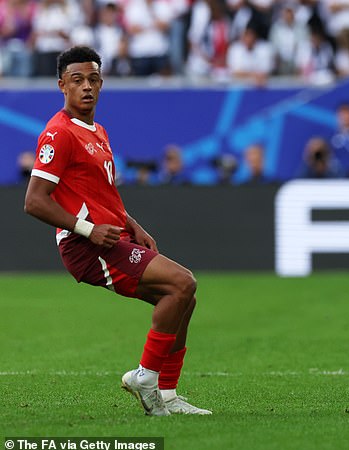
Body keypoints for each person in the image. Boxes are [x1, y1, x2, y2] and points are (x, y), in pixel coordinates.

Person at [23, 46, 211, 416]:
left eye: (93, 79)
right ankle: (145, 377)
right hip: (87, 245)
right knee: (182, 282)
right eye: (77, 80)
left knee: (181, 300)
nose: (86, 87)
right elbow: (34, 201)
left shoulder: (97, 131)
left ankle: (167, 396)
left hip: (112, 236)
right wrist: (86, 229)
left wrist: (133, 225)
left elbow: (102, 193)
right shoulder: (58, 134)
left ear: (102, 83)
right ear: (62, 85)